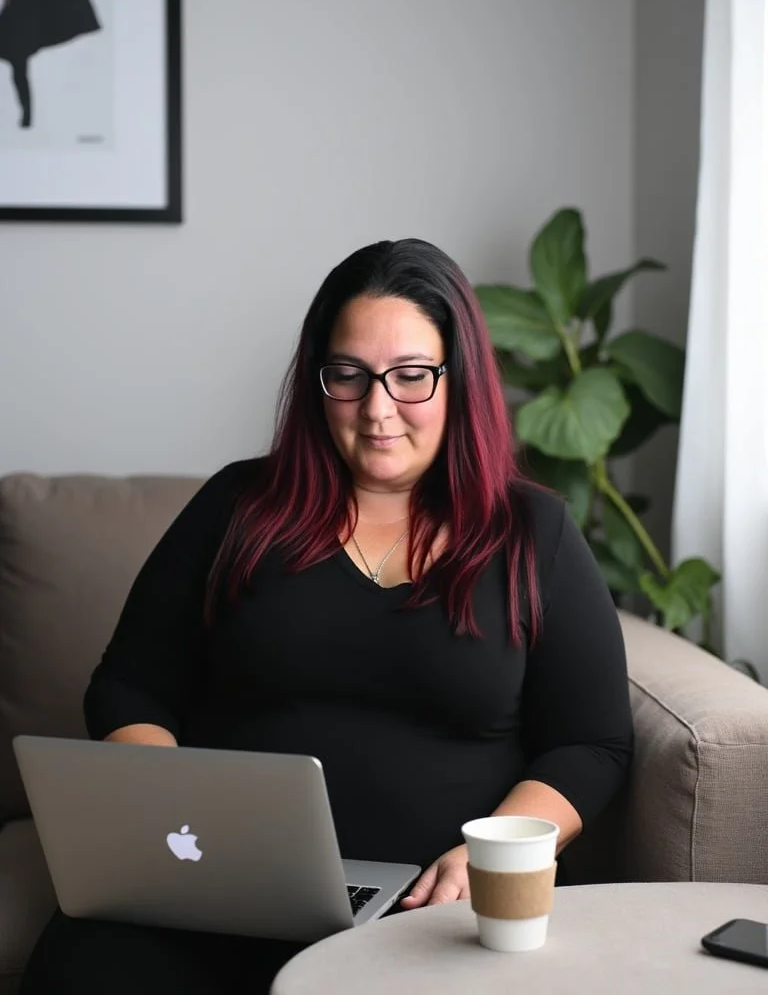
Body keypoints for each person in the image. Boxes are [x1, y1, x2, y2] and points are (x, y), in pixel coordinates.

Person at [21, 239, 634, 994]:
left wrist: (488, 858)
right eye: (349, 376)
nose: (378, 410)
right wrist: (177, 822)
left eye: (411, 377)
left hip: (433, 904)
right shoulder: (237, 508)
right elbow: (129, 686)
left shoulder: (535, 533)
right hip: (218, 890)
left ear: (460, 380)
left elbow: (592, 742)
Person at [0, 0, 100, 128]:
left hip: (28, 9)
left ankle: (27, 115)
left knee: (18, 63)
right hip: (18, 5)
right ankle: (26, 115)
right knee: (18, 64)